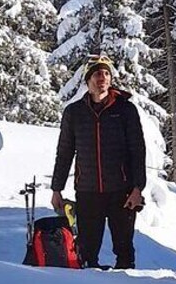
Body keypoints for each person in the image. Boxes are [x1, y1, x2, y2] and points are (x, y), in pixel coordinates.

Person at [51, 55, 146, 269]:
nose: (101, 78)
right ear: (88, 80)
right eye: (96, 74)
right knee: (86, 250)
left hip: (121, 190)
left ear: (111, 79)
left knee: (124, 249)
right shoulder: (74, 112)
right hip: (88, 191)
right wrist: (57, 189)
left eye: (106, 73)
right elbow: (65, 152)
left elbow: (138, 150)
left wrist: (138, 188)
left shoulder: (125, 110)